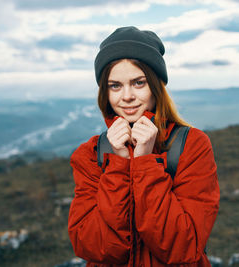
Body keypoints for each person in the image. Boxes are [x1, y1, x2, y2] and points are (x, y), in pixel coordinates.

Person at [68, 26, 220, 266]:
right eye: (115, 85)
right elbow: (95, 248)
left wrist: (145, 163)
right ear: (105, 92)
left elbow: (183, 247)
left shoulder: (192, 145)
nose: (126, 96)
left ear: (155, 86)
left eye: (138, 83)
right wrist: (118, 164)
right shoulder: (90, 154)